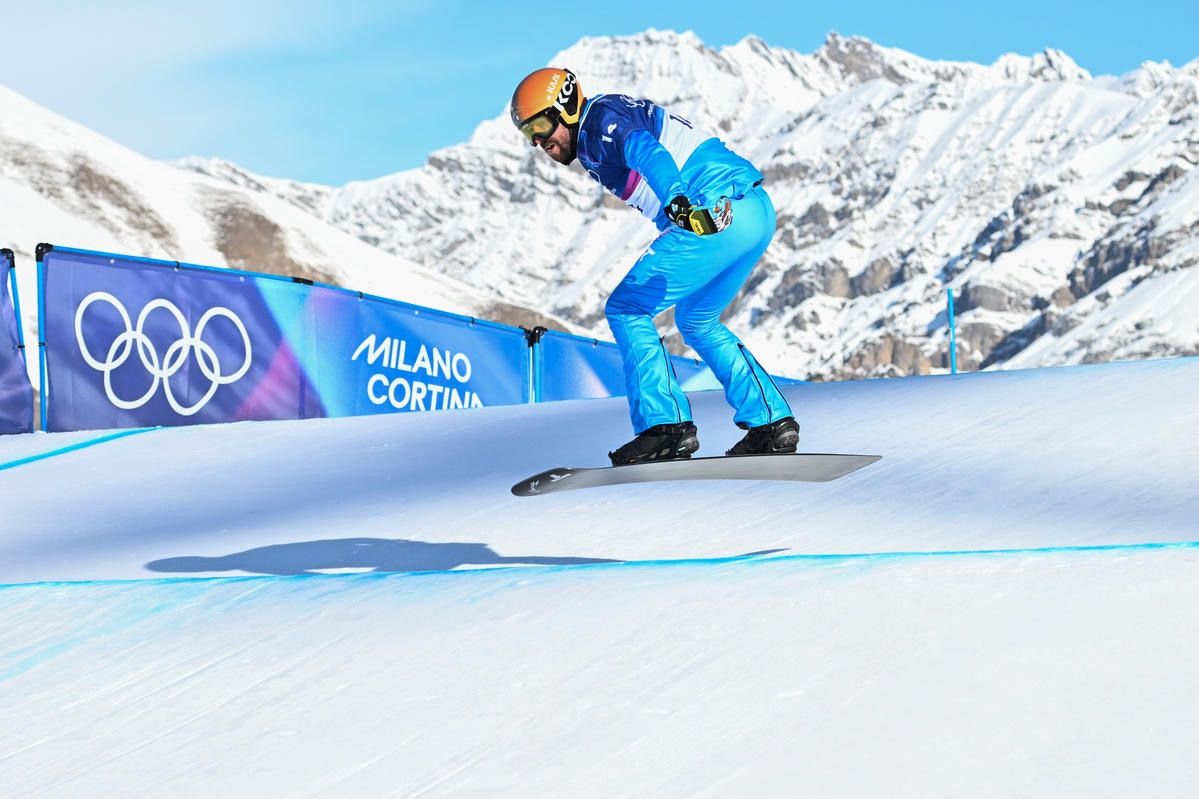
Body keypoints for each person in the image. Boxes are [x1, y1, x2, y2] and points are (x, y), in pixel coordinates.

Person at [510, 67, 799, 466]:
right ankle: (770, 422)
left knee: (627, 308)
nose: (540, 141)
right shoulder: (598, 128)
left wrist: (677, 200)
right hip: (754, 212)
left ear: (568, 106)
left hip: (710, 213)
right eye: (529, 134)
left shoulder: (599, 121)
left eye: (542, 126)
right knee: (697, 321)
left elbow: (648, 152)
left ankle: (666, 428)